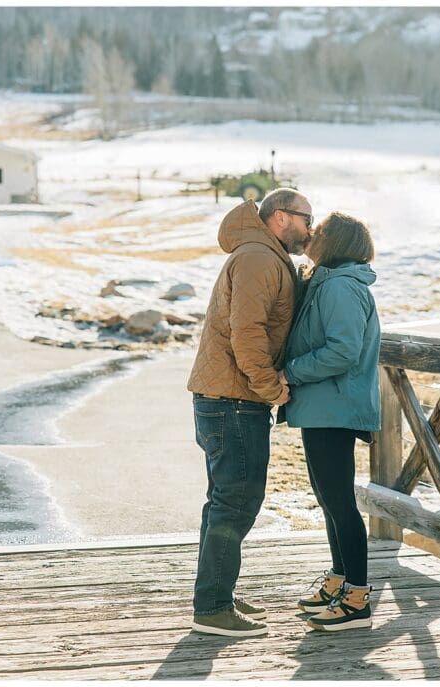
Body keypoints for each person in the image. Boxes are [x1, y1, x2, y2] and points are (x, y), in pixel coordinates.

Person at [187, 188, 314, 637]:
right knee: (236, 501)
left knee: (224, 499)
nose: (310, 227)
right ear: (280, 217)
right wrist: (268, 386)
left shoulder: (263, 254)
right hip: (235, 400)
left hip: (226, 398)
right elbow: (248, 330)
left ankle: (216, 590)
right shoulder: (259, 258)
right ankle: (213, 608)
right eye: (305, 218)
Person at [280, 212, 380, 631]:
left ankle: (357, 599)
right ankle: (340, 582)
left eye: (318, 230)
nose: (310, 234)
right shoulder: (328, 281)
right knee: (329, 500)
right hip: (324, 406)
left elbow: (343, 350)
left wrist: (291, 372)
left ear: (334, 241)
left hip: (334, 407)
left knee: (340, 502)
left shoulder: (339, 286)